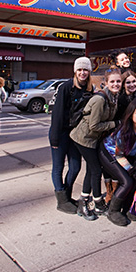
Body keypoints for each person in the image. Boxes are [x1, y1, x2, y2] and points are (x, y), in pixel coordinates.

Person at [71, 67, 120, 221]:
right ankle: (95, 202)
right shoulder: (100, 99)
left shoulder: (114, 97)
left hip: (92, 139)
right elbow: (94, 126)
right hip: (84, 138)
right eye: (112, 81)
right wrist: (114, 124)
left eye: (118, 81)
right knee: (96, 170)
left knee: (92, 170)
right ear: (106, 82)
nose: (116, 84)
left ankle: (86, 201)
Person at [48, 57, 93, 215]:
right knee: (58, 167)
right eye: (79, 70)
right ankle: (61, 201)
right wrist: (54, 137)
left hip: (75, 134)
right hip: (60, 132)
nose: (82, 73)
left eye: (85, 70)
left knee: (75, 167)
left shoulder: (89, 89)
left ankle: (66, 196)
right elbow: (57, 113)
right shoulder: (66, 87)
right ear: (75, 71)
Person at [100, 99, 136, 226]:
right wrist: (132, 170)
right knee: (127, 181)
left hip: (127, 155)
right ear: (131, 114)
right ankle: (113, 211)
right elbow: (119, 155)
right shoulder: (124, 131)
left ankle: (128, 206)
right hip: (109, 153)